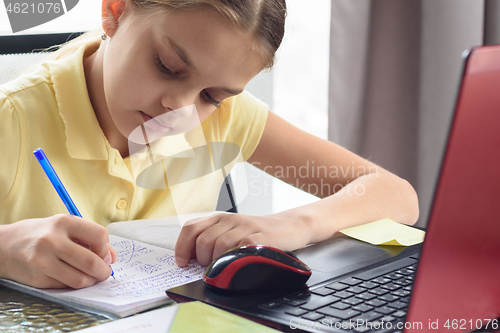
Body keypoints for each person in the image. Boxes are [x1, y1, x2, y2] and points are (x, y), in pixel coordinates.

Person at [0, 0, 419, 290]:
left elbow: (395, 195)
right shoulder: (12, 119)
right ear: (116, 11)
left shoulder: (227, 118)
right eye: (168, 66)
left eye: (213, 95)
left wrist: (294, 224)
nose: (180, 109)